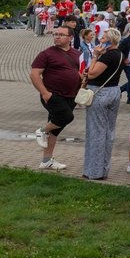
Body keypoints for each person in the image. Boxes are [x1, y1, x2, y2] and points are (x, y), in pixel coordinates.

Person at [31, 26, 82, 170]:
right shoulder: (46, 54)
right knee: (67, 116)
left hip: (71, 95)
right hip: (52, 94)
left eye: (61, 34)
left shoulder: (78, 54)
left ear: (70, 38)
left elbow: (82, 72)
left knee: (56, 129)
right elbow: (34, 74)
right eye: (56, 34)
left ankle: (46, 160)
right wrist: (45, 93)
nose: (57, 37)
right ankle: (42, 130)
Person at [82, 29, 126, 180]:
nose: (100, 40)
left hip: (100, 93)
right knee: (108, 131)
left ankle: (94, 171)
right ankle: (103, 169)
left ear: (110, 40)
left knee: (96, 131)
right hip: (114, 91)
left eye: (103, 37)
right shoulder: (119, 54)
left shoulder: (107, 56)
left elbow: (93, 73)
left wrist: (95, 56)